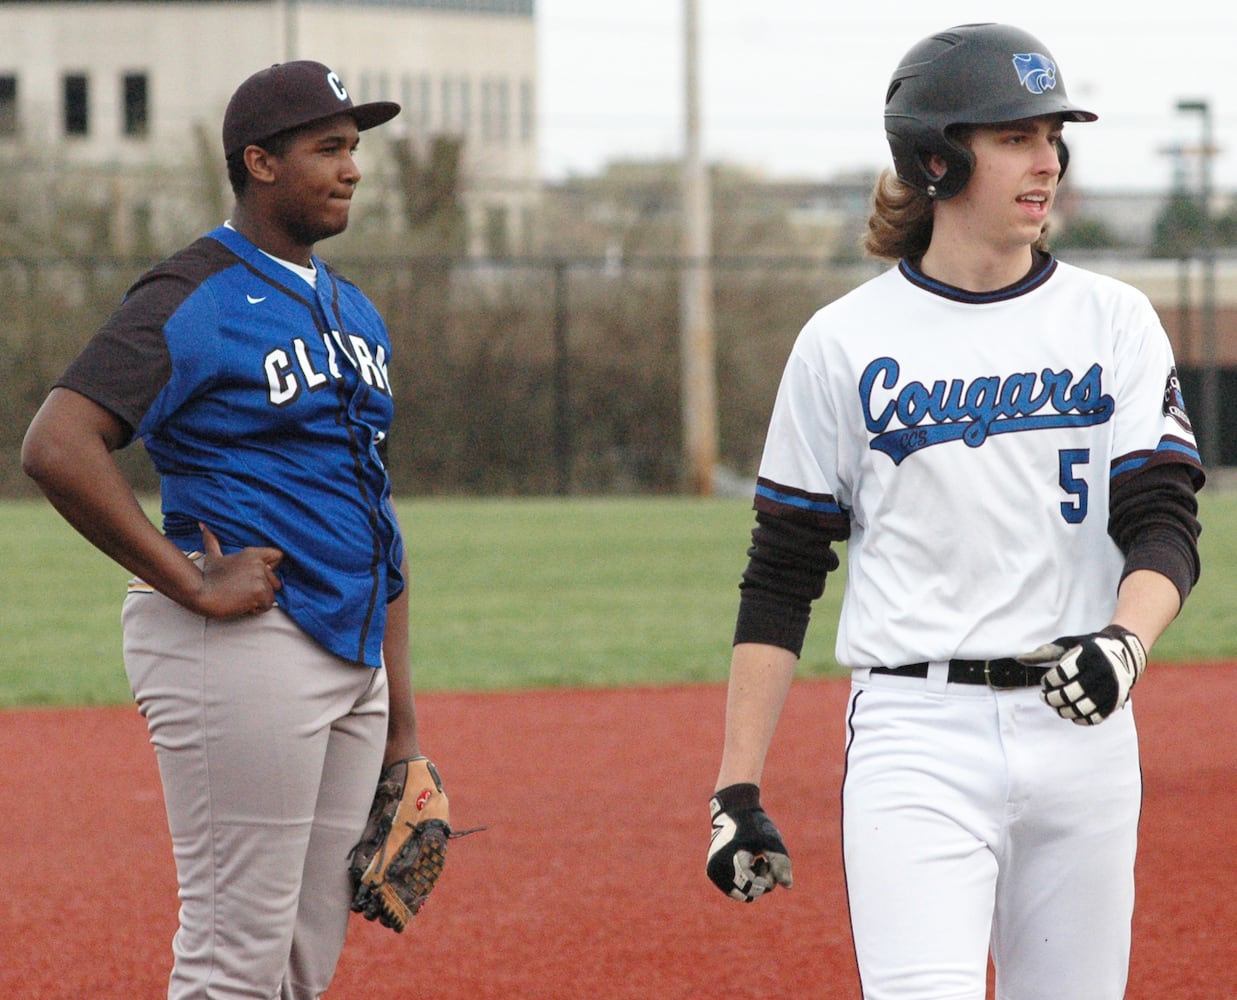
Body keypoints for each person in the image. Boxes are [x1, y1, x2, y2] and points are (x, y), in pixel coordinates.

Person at [705, 23, 1204, 1000]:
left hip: (1083, 723)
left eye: (1052, 133)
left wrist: (1124, 642)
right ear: (936, 157)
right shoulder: (843, 342)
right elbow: (782, 569)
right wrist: (735, 787)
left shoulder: (1112, 320)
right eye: (1015, 135)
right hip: (916, 732)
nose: (1046, 157)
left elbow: (1162, 521)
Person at [22, 61, 436, 998]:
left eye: (354, 148)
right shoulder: (190, 293)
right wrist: (192, 580)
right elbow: (58, 443)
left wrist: (402, 724)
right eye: (327, 148)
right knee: (231, 959)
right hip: (243, 646)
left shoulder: (349, 307)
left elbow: (375, 514)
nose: (352, 168)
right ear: (258, 162)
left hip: (349, 653)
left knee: (300, 959)